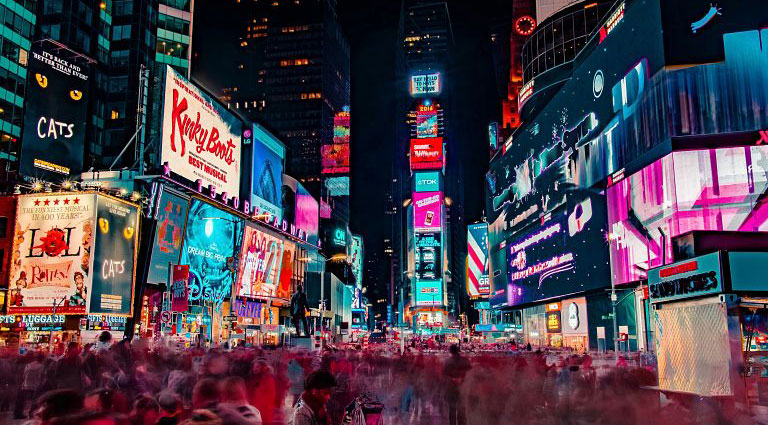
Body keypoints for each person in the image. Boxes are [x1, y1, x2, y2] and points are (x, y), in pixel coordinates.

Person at [442, 345, 471, 425]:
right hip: (463, 387)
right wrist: (461, 378)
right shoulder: (465, 360)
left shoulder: (448, 361)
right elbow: (470, 372)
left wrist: (453, 379)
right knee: (461, 408)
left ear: (450, 351)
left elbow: (444, 374)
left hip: (451, 388)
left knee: (452, 409)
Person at [14, 352, 45, 419]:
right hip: (36, 385)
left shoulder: (28, 365)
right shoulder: (41, 366)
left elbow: (24, 375)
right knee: (35, 400)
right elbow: (40, 376)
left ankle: (19, 413)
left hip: (26, 384)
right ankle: (32, 413)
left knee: (23, 400)